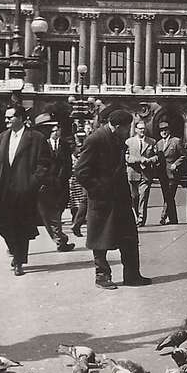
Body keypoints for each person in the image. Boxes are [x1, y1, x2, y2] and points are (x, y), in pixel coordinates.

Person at [75, 108, 150, 289]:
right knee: (100, 240)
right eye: (126, 128)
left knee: (129, 237)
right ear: (116, 126)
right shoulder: (95, 139)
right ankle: (102, 277)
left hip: (120, 198)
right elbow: (81, 171)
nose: (128, 132)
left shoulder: (117, 138)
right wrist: (99, 189)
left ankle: (132, 275)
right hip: (102, 199)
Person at [0, 105, 53, 277]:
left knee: (21, 226)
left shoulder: (36, 138)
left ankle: (19, 260)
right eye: (6, 118)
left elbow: (44, 163)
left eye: (10, 117)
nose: (6, 120)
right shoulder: (1, 137)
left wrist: (33, 182)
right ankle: (15, 251)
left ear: (21, 118)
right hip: (3, 188)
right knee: (3, 226)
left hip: (24, 189)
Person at [34, 115, 75, 251]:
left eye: (58, 130)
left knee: (56, 214)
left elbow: (67, 165)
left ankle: (60, 240)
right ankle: (60, 240)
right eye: (54, 130)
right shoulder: (42, 145)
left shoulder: (64, 145)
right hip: (46, 185)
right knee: (47, 215)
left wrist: (61, 179)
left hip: (60, 185)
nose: (57, 132)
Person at [154, 120, 187, 225]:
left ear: (169, 130)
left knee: (169, 195)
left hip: (173, 173)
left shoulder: (176, 141)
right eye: (161, 130)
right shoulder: (158, 143)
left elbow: (185, 155)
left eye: (165, 130)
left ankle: (163, 216)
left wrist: (176, 163)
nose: (164, 132)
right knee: (167, 196)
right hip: (162, 174)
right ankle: (173, 219)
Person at [124, 120, 160, 226]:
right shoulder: (129, 142)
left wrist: (149, 160)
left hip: (146, 174)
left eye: (143, 128)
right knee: (134, 197)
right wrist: (138, 159)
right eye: (140, 128)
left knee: (143, 196)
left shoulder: (152, 142)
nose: (142, 130)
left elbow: (157, 156)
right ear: (136, 130)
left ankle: (141, 219)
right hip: (133, 173)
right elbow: (126, 157)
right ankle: (135, 216)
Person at [68, 131, 88, 237]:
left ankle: (77, 223)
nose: (79, 149)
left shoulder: (81, 155)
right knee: (81, 202)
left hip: (81, 182)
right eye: (78, 147)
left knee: (82, 202)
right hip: (77, 182)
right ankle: (76, 222)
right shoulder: (73, 158)